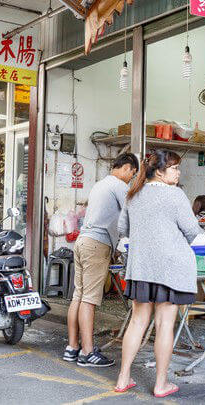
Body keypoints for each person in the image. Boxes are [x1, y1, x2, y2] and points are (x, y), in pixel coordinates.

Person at [114, 151, 201, 398]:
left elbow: (123, 229)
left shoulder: (133, 193)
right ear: (159, 172)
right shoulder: (175, 195)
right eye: (174, 169)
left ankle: (123, 378)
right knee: (164, 325)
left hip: (140, 267)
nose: (178, 173)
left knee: (137, 321)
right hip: (170, 269)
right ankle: (160, 384)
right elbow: (192, 230)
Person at [63, 153, 138, 367]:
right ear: (126, 167)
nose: (131, 178)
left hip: (82, 242)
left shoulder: (100, 184)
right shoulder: (118, 185)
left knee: (79, 296)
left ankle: (72, 347)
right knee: (89, 300)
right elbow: (134, 211)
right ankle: (87, 353)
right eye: (132, 174)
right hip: (97, 244)